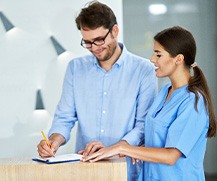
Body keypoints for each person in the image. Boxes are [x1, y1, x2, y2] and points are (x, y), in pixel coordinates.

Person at [37, 1, 157, 180]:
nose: (94, 47)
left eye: (99, 40)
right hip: (86, 170)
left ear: (115, 31)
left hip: (126, 172)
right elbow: (64, 117)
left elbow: (143, 126)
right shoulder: (75, 68)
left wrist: (115, 148)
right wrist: (54, 141)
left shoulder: (144, 70)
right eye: (87, 42)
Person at [82, 26, 217, 180]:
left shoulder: (193, 102)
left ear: (179, 59)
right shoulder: (165, 91)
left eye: (158, 54)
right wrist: (115, 149)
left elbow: (171, 156)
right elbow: (157, 141)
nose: (152, 59)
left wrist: (123, 148)